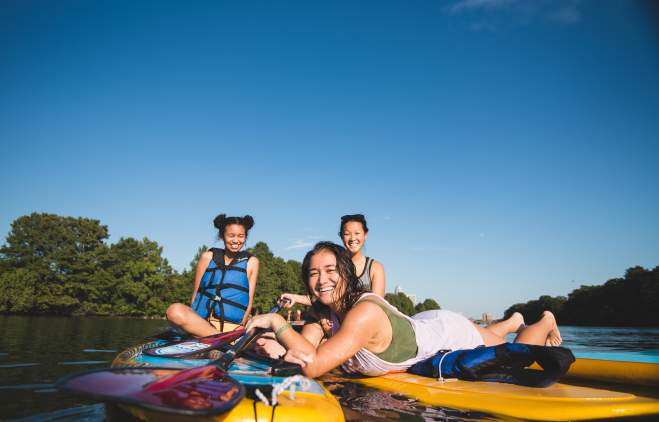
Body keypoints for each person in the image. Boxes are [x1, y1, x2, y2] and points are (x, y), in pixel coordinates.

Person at [247, 241, 561, 378]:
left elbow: (313, 366)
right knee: (493, 336)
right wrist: (277, 345)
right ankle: (508, 321)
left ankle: (542, 320)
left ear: (346, 273)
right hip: (416, 325)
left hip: (445, 332)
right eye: (313, 273)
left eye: (330, 270)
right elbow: (306, 352)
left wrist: (277, 322)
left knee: (518, 351)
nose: (321, 280)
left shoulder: (363, 313)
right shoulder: (321, 313)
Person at [166, 214, 259, 337]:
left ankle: (217, 339)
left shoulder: (252, 262)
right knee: (174, 310)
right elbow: (196, 293)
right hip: (202, 322)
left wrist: (241, 326)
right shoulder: (207, 257)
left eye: (241, 236)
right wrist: (192, 321)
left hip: (231, 327)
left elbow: (249, 301)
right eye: (231, 236)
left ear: (246, 237)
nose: (236, 240)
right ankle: (216, 338)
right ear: (222, 236)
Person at [279, 214, 385, 307]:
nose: (352, 238)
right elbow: (323, 295)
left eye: (357, 233)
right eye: (347, 234)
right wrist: (295, 298)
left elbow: (377, 307)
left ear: (365, 235)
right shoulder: (333, 263)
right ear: (341, 236)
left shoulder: (375, 268)